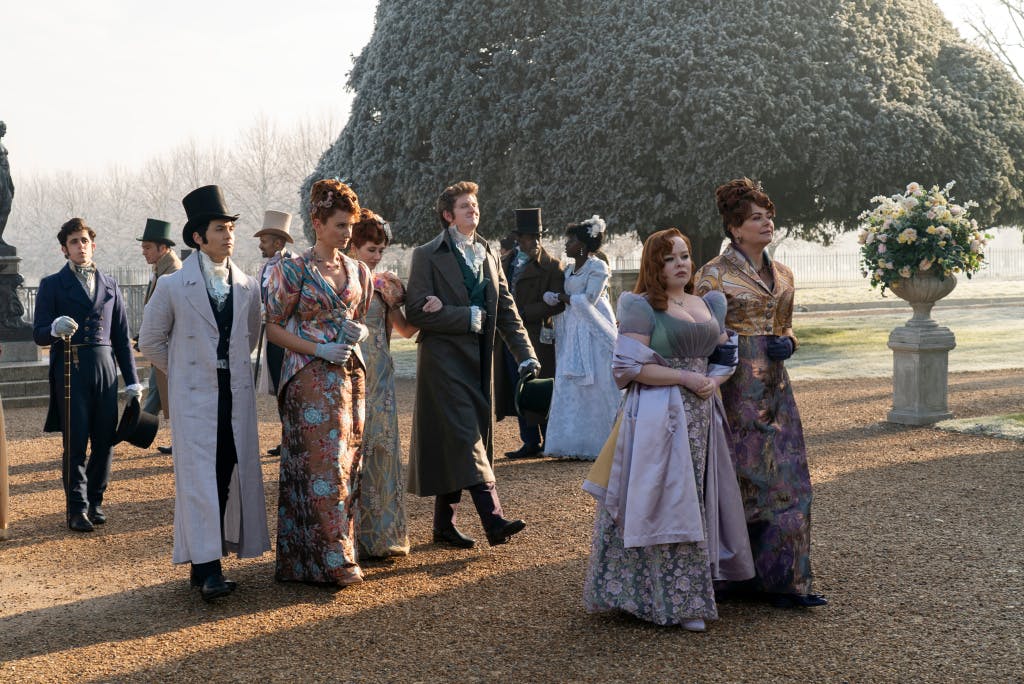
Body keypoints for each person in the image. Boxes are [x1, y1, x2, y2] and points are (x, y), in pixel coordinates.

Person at [583, 228, 754, 631]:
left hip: (703, 413)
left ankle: (693, 590)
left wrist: (715, 380)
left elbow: (726, 353)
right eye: (670, 258)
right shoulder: (641, 306)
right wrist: (685, 379)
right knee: (667, 497)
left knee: (699, 495)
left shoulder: (708, 301)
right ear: (654, 265)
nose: (681, 264)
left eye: (685, 256)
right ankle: (669, 598)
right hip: (658, 412)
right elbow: (627, 368)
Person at [694, 177, 827, 608]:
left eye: (768, 214)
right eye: (756, 217)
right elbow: (697, 336)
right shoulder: (712, 275)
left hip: (775, 388)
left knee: (788, 479)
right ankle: (732, 577)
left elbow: (786, 325)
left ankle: (786, 580)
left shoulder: (784, 274)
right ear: (735, 228)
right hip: (731, 391)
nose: (766, 221)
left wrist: (789, 342)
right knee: (735, 480)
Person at [139, 185, 270, 601]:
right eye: (220, 228)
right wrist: (184, 373)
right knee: (198, 478)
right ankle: (210, 570)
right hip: (194, 396)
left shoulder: (247, 285)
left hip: (234, 393)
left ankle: (202, 562)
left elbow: (248, 337)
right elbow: (151, 340)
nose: (228, 234)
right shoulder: (174, 286)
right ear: (198, 237)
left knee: (226, 470)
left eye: (230, 227)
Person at [405, 181, 539, 549]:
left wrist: (525, 353)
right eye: (465, 206)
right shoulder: (426, 254)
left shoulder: (488, 253)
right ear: (448, 215)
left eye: (475, 205)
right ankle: (493, 520)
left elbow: (507, 309)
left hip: (482, 364)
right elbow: (415, 311)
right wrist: (466, 317)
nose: (473, 210)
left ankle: (443, 526)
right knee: (467, 438)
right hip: (443, 363)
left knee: (463, 439)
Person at [264, 179, 372, 587]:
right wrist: (315, 348)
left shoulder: (358, 269)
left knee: (348, 463)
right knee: (320, 467)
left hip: (350, 378)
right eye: (340, 225)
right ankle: (335, 560)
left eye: (350, 226)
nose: (347, 234)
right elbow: (272, 328)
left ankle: (329, 552)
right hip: (308, 377)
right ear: (317, 222)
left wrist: (357, 333)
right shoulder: (292, 269)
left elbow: (358, 315)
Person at [33, 218, 142, 532]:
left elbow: (121, 337)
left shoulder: (109, 284)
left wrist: (133, 381)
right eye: (73, 242)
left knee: (105, 440)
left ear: (93, 245)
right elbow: (39, 333)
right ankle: (76, 508)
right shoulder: (52, 284)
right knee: (76, 441)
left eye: (84, 241)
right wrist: (53, 329)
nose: (80, 247)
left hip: (106, 366)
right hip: (71, 367)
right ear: (64, 250)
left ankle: (95, 500)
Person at [348, 208, 421, 558]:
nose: (376, 257)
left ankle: (383, 536)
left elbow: (406, 330)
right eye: (370, 250)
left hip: (381, 376)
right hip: (350, 373)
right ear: (352, 247)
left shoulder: (385, 286)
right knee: (353, 451)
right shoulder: (341, 282)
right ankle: (353, 538)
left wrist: (430, 308)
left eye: (380, 250)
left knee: (383, 450)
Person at [542, 216, 620, 460]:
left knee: (599, 380)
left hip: (593, 328)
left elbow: (590, 299)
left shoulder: (597, 268)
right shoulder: (569, 269)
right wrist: (555, 298)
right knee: (570, 382)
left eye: (572, 240)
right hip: (573, 328)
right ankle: (571, 442)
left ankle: (604, 442)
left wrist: (563, 298)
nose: (567, 244)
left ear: (583, 245)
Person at [494, 208, 564, 459]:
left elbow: (557, 302)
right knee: (517, 387)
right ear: (518, 238)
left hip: (536, 336)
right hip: (509, 339)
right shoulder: (505, 262)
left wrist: (523, 312)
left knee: (539, 387)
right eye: (528, 237)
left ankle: (549, 438)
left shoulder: (552, 266)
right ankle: (530, 440)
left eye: (537, 237)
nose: (534, 242)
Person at [136, 218, 181, 454]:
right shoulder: (160, 269)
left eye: (147, 247)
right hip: (161, 343)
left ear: (163, 248)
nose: (144, 252)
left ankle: (136, 430)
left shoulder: (173, 271)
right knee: (159, 390)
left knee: (165, 392)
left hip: (168, 345)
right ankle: (138, 429)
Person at [253, 210, 295, 457]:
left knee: (290, 389)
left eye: (264, 240)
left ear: (278, 243)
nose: (261, 245)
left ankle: (293, 438)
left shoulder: (294, 265)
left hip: (288, 337)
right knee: (280, 389)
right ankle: (287, 437)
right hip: (271, 337)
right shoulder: (265, 268)